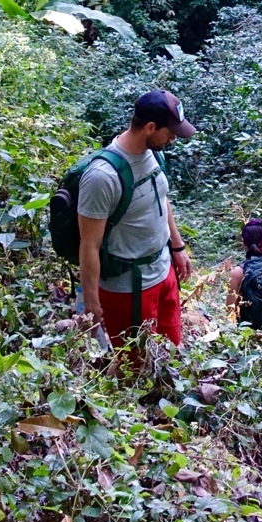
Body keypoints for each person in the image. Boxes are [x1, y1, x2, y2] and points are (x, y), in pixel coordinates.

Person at [77, 90, 196, 347]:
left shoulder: (153, 153)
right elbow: (89, 245)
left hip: (164, 271)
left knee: (171, 352)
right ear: (150, 127)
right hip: (129, 288)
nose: (173, 138)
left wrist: (177, 246)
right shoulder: (102, 177)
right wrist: (91, 304)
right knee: (136, 362)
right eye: (170, 132)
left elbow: (161, 198)